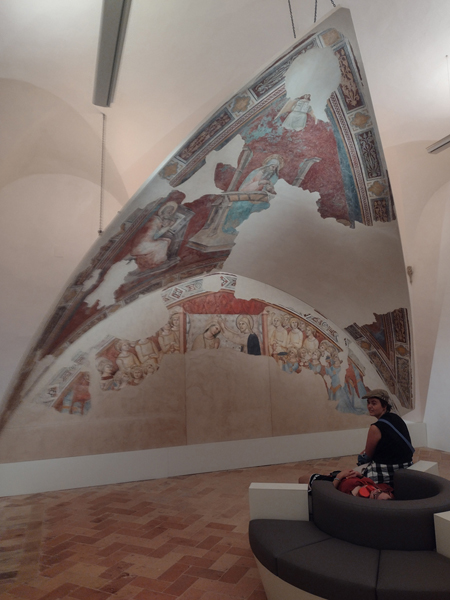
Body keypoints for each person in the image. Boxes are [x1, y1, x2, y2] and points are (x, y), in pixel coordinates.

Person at [358, 389, 414, 485]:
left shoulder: (375, 427)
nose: (369, 406)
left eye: (374, 403)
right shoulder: (396, 418)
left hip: (389, 470)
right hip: (407, 465)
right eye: (368, 403)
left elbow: (368, 456)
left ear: (384, 406)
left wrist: (361, 457)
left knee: (360, 464)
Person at [299, 469, 393, 500]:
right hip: (342, 476)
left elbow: (329, 494)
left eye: (376, 494)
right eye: (380, 491)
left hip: (331, 482)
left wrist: (339, 477)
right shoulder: (376, 489)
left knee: (302, 479)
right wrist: (359, 475)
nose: (376, 490)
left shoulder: (353, 498)